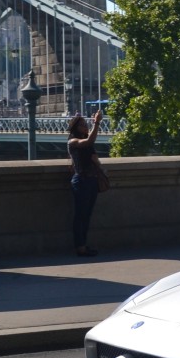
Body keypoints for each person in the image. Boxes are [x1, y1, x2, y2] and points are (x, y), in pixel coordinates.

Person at [67, 109, 103, 257]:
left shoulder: (87, 144)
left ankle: (84, 244)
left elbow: (94, 157)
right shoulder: (73, 141)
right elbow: (89, 140)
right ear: (75, 128)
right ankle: (79, 246)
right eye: (82, 125)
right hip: (81, 181)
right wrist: (97, 122)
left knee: (87, 215)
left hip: (92, 180)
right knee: (80, 215)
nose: (85, 127)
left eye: (85, 124)